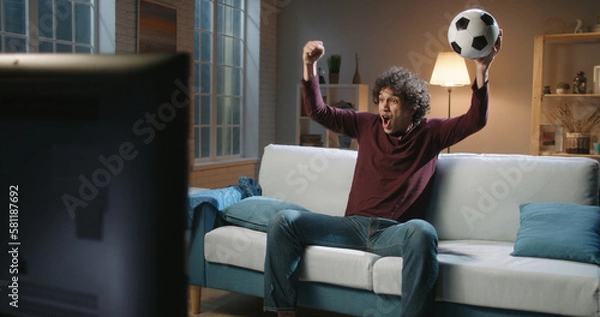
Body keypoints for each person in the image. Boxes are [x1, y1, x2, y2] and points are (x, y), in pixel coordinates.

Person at [264, 31, 503, 317]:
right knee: (283, 221)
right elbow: (318, 112)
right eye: (381, 99)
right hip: (350, 227)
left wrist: (482, 69)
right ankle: (282, 312)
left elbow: (476, 119)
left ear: (413, 106)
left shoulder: (432, 133)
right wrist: (309, 66)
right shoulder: (366, 125)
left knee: (423, 231)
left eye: (393, 101)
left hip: (393, 233)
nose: (383, 108)